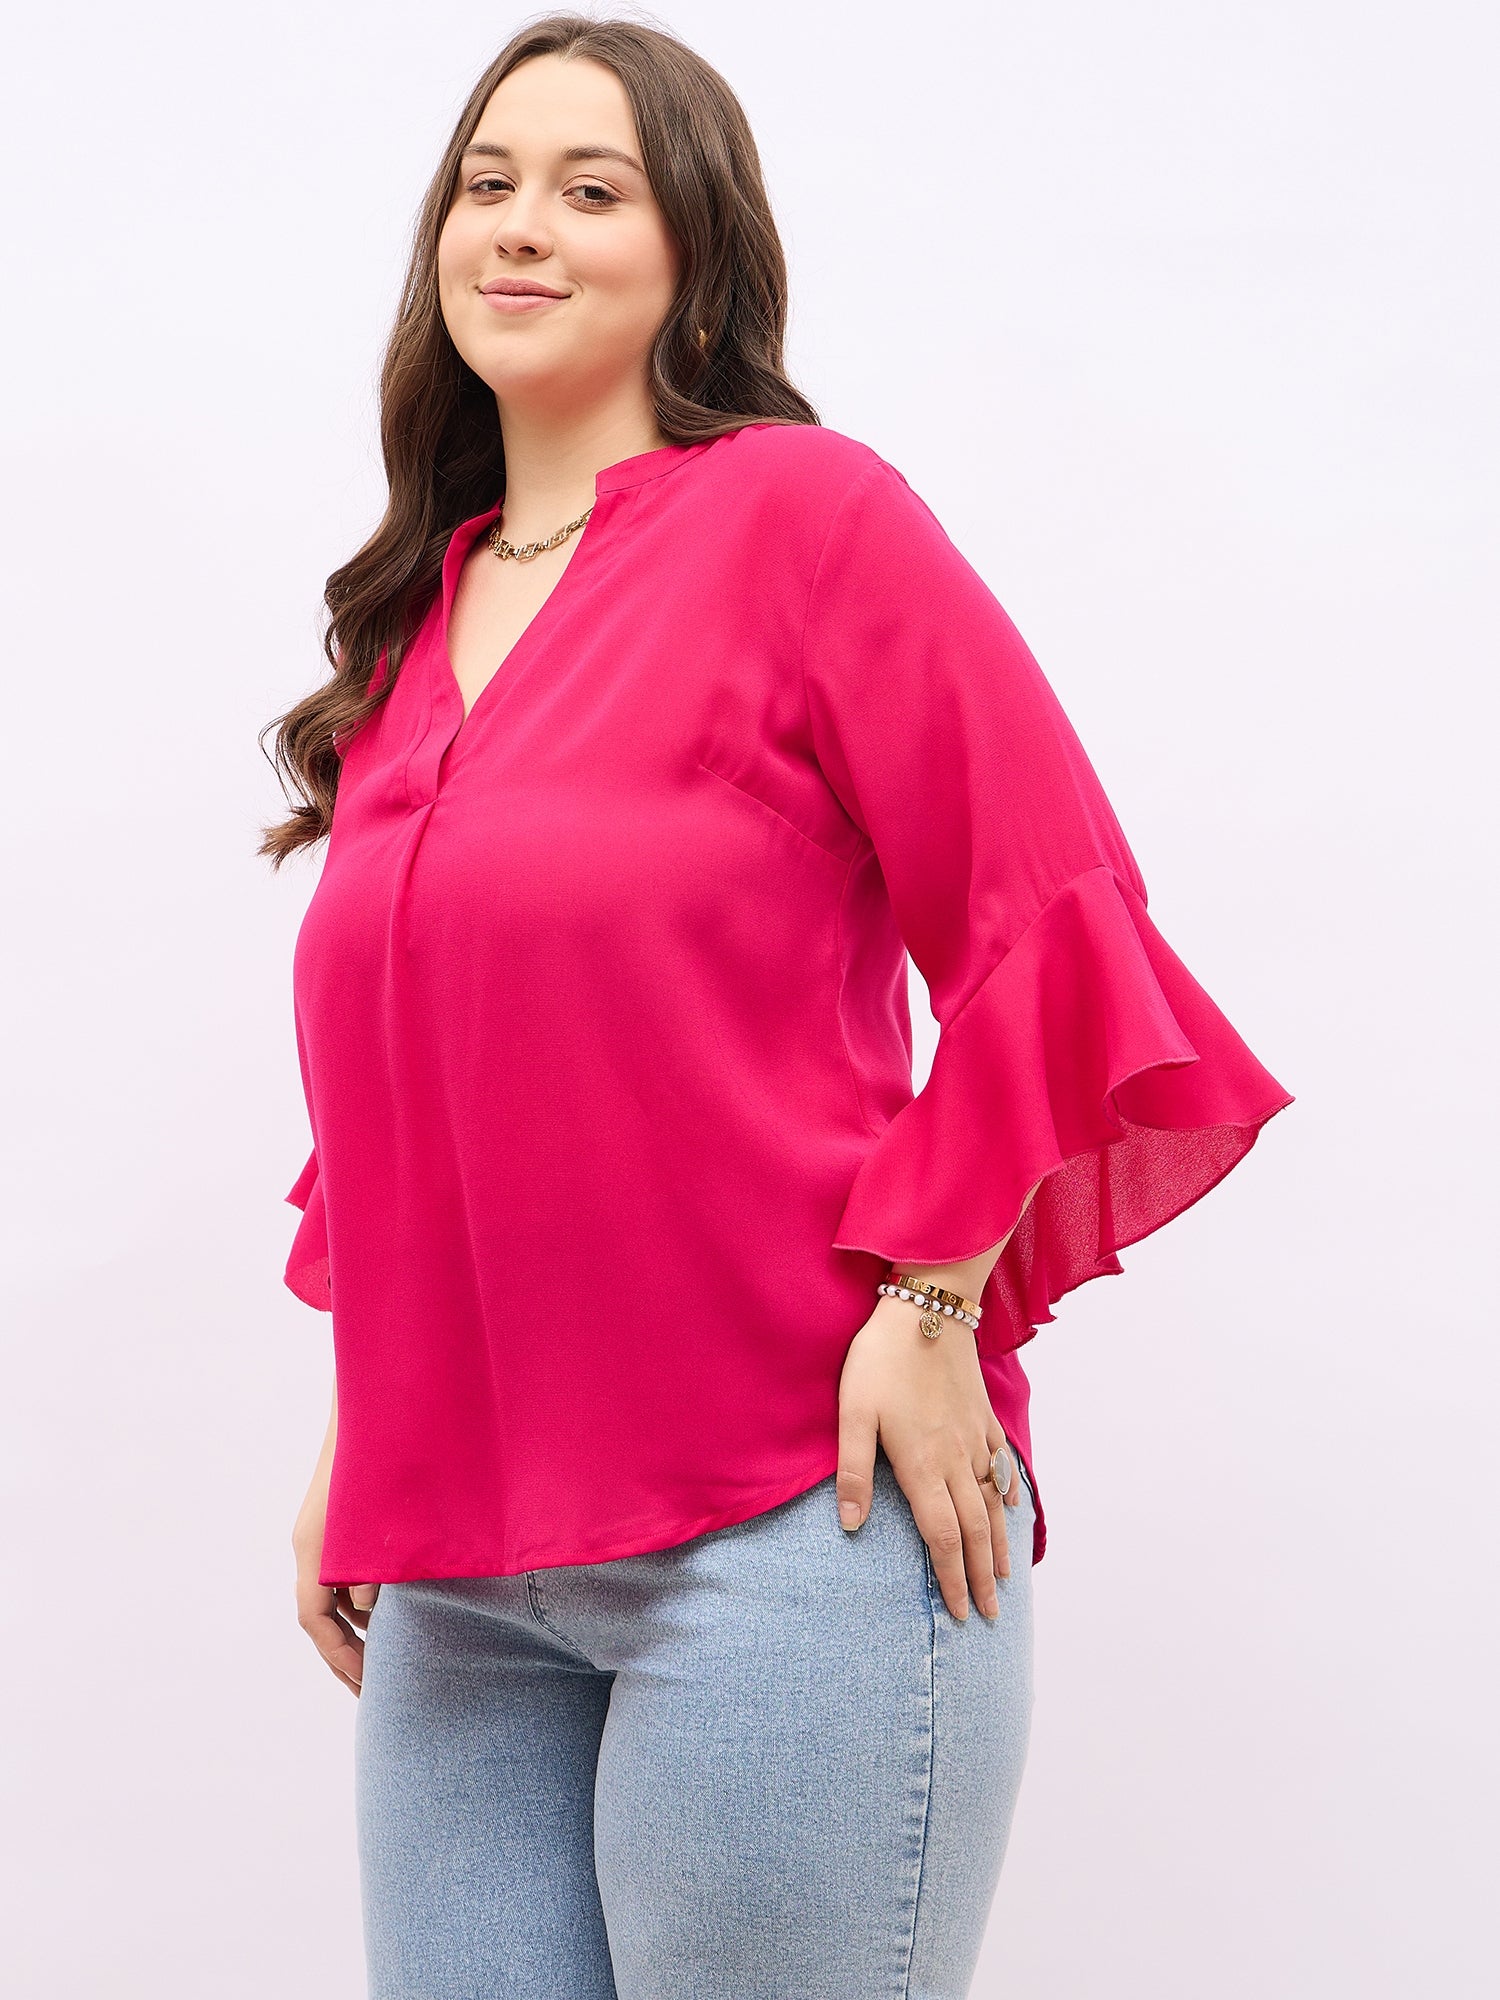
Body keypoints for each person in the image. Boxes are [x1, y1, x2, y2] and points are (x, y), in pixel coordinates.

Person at [259, 17, 1294, 1999]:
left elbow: (1050, 916)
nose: (522, 227)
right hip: (459, 1582)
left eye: (592, 188)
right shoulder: (414, 623)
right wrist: (361, 1425)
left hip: (787, 1528)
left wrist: (935, 1300)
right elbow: (445, 1086)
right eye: (487, 183)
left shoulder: (804, 519)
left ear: (698, 258)